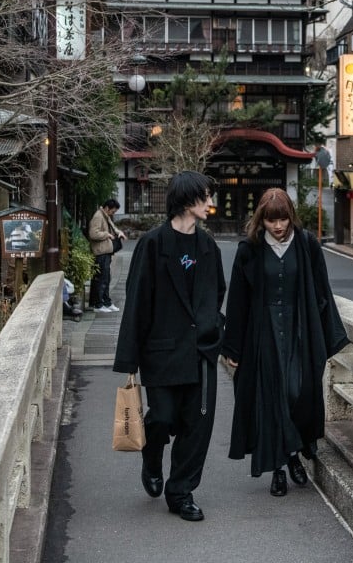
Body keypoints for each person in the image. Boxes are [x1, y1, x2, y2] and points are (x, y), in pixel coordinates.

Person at [113, 171, 225, 522]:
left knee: (198, 426)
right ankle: (151, 456)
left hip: (201, 351)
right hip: (161, 351)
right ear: (187, 199)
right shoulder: (153, 244)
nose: (211, 203)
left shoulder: (209, 247)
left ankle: (181, 492)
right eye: (206, 196)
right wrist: (129, 359)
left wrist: (214, 331)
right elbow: (137, 301)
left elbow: (217, 292)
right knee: (161, 417)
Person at [223, 188, 348, 497]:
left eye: (282, 219)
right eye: (271, 221)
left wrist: (327, 334)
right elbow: (238, 301)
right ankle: (281, 467)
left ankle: (293, 452)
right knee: (271, 398)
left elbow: (322, 291)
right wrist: (232, 348)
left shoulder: (306, 245)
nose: (278, 227)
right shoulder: (249, 250)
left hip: (298, 329)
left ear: (291, 216)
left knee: (298, 391)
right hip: (262, 333)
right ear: (261, 220)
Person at [87, 198, 126, 312]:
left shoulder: (104, 215)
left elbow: (112, 227)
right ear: (107, 208)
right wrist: (106, 234)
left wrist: (118, 233)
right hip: (100, 252)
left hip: (104, 251)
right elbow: (93, 233)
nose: (113, 214)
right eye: (112, 211)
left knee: (106, 278)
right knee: (102, 278)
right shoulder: (98, 216)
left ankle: (106, 302)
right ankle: (99, 305)